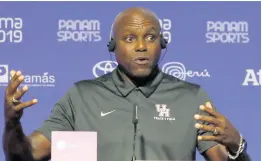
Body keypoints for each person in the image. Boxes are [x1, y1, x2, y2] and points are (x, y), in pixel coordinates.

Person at [3, 7, 251, 161]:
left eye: (150, 37)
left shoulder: (191, 98)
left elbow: (223, 159)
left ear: (162, 44)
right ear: (113, 47)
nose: (141, 46)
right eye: (130, 38)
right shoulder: (82, 98)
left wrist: (237, 146)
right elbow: (26, 155)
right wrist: (12, 125)